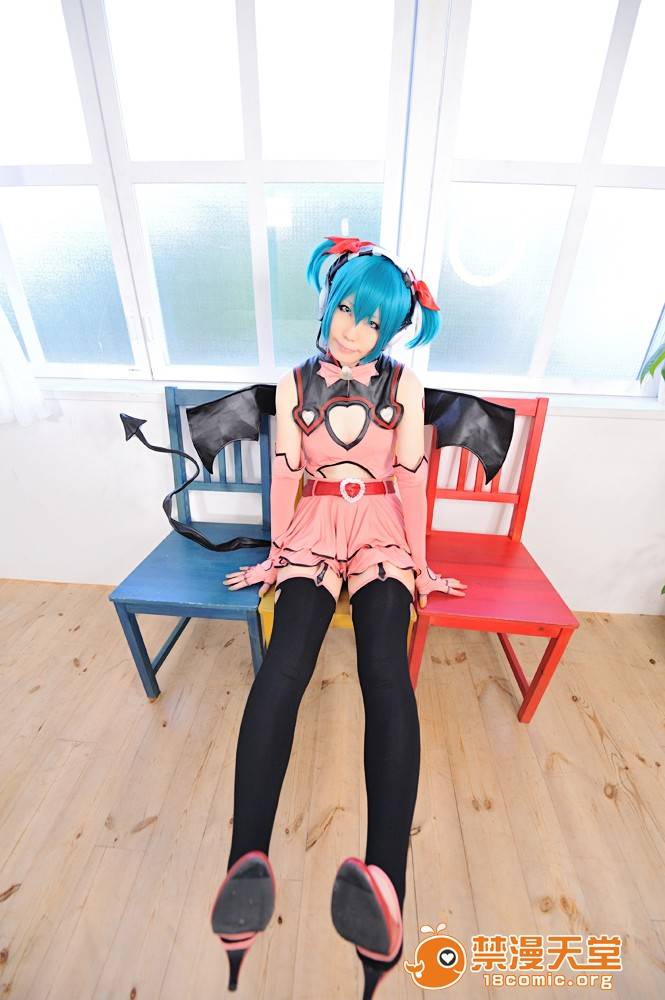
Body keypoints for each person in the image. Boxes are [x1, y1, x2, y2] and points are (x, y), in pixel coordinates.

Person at [209, 236, 467, 998]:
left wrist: (419, 565)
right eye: (347, 310)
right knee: (286, 659)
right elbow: (285, 475)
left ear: (392, 331)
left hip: (383, 527)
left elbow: (411, 481)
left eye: (372, 322)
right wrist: (274, 557)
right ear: (328, 302)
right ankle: (246, 861)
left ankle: (385, 880)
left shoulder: (404, 384)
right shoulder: (293, 384)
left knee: (384, 668)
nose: (353, 331)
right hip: (315, 527)